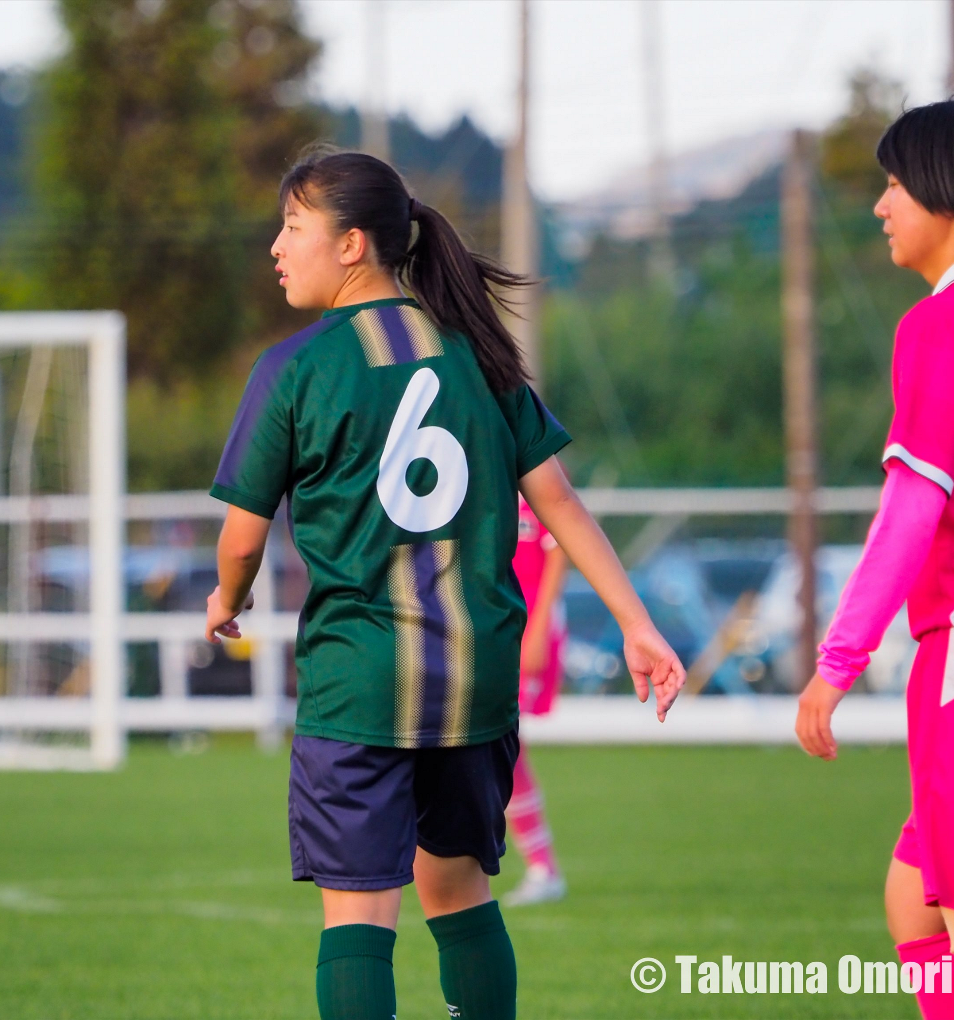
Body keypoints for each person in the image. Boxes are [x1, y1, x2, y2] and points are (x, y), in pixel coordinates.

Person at [204, 146, 686, 1020]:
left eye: (293, 226)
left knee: (358, 915)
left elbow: (241, 540)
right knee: (459, 892)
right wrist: (636, 622)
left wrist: (226, 600)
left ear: (353, 245)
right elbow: (561, 500)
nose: (276, 245)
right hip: (472, 681)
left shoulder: (296, 370)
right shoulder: (478, 354)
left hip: (360, 681)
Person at [795, 96, 954, 1020]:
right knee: (913, 893)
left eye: (893, 184)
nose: (881, 206)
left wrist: (837, 663)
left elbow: (911, 512)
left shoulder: (946, 324)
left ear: (949, 194)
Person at [502, 495, 568, 906]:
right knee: (500, 747)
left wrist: (539, 625)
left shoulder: (535, 464)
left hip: (528, 627)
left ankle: (544, 868)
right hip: (493, 627)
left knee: (503, 744)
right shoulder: (480, 464)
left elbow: (559, 546)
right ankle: (542, 867)